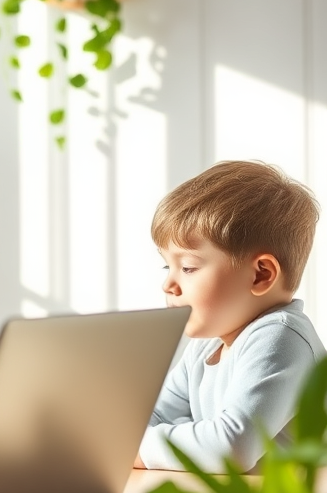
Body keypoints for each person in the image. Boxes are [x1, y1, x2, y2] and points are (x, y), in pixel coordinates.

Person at [137, 160, 325, 473]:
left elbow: (230, 447)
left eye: (188, 268)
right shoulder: (206, 346)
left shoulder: (280, 337)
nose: (168, 284)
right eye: (166, 267)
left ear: (260, 275)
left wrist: (137, 449)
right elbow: (153, 417)